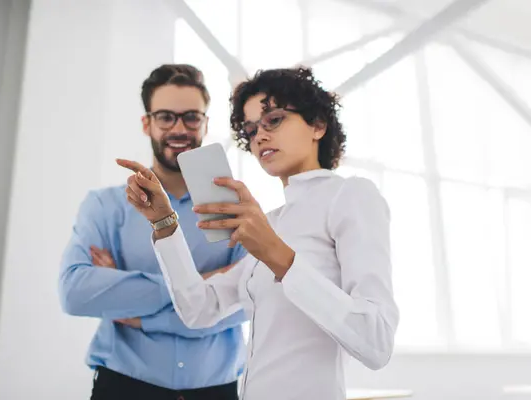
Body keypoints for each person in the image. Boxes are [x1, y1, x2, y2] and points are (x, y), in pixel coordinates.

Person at [116, 66, 399, 400]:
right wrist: (165, 223)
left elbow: (376, 339)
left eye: (274, 120)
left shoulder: (350, 195)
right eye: (250, 129)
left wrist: (278, 257)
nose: (259, 136)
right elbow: (199, 309)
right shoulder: (270, 222)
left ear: (318, 125)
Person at [59, 64, 247, 400]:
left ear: (205, 123)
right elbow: (75, 293)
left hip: (216, 391)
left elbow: (247, 302)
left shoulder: (236, 209)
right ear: (147, 123)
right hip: (123, 388)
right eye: (165, 117)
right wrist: (201, 286)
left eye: (191, 117)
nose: (179, 128)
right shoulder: (104, 206)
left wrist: (136, 312)